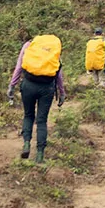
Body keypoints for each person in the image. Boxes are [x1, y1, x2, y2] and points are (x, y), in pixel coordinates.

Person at [7, 34, 66, 163]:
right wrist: (62, 92)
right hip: (47, 88)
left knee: (28, 115)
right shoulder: (52, 49)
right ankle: (40, 155)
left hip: (28, 85)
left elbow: (19, 67)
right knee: (42, 121)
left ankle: (26, 144)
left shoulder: (28, 46)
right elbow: (58, 72)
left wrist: (12, 85)